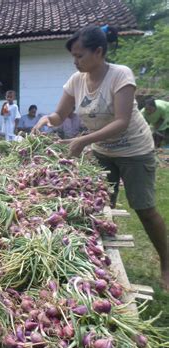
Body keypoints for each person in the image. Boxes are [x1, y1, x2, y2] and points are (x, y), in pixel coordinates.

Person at [32, 24, 168, 289]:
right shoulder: (76, 81)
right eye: (73, 57)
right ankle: (101, 265)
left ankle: (166, 263)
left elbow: (121, 120)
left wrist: (83, 140)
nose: (75, 62)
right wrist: (48, 118)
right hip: (103, 152)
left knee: (145, 208)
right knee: (98, 209)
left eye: (80, 56)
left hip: (134, 150)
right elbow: (61, 114)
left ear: (99, 52)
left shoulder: (120, 76)